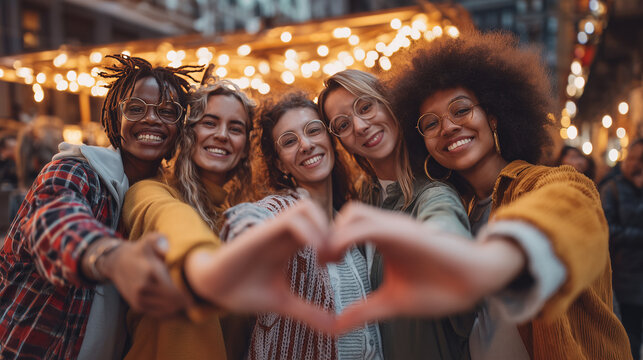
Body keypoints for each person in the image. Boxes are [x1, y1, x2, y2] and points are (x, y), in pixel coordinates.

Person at [322, 31, 632, 360]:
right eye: (430, 123)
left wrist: (497, 258)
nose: (449, 127)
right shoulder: (466, 204)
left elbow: (566, 211)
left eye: (461, 110)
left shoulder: (545, 183)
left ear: (494, 116)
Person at [0, 55, 196, 359]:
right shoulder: (76, 171)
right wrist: (109, 257)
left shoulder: (162, 195)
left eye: (167, 112)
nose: (152, 119)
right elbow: (53, 221)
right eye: (136, 109)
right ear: (115, 119)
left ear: (180, 126)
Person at [318, 69, 473, 360]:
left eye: (365, 107)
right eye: (343, 124)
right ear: (340, 141)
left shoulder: (433, 194)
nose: (360, 126)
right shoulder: (367, 195)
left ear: (387, 101)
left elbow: (446, 233)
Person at [221, 91, 382, 360]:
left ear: (331, 140)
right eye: (289, 141)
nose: (305, 145)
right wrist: (245, 233)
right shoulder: (285, 213)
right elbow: (253, 221)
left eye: (313, 130)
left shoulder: (350, 221)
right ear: (279, 163)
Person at [120, 75, 256, 360]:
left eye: (236, 128)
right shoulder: (152, 191)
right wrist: (200, 258)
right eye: (209, 122)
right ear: (187, 132)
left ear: (245, 147)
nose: (222, 134)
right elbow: (169, 218)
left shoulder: (239, 216)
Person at [601, 139, 643, 360]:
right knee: (628, 343)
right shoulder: (611, 189)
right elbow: (606, 230)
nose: (638, 165)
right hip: (624, 282)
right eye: (635, 159)